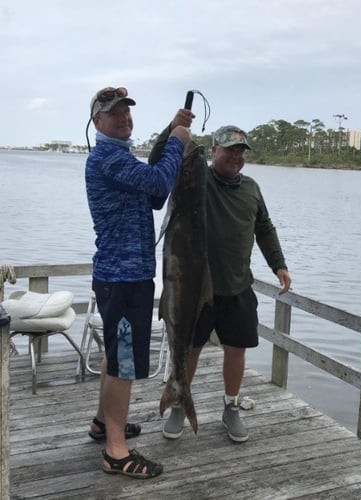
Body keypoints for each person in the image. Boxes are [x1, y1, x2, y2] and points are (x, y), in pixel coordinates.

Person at [149, 124, 292, 443]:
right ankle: (177, 401)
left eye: (241, 151)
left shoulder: (252, 188)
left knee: (236, 349)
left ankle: (231, 407)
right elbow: (159, 162)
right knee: (190, 349)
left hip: (238, 286)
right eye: (229, 150)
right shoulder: (197, 181)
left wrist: (278, 264)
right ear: (214, 151)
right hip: (195, 289)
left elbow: (264, 228)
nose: (235, 157)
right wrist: (174, 127)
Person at [85, 86, 194, 478]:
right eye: (114, 113)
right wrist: (178, 141)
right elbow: (159, 183)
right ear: (97, 121)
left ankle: (103, 422)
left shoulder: (121, 158)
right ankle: (116, 450)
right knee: (124, 364)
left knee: (116, 353)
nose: (124, 118)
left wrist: (169, 132)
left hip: (123, 276)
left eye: (127, 112)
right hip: (124, 277)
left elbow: (152, 199)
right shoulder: (107, 158)